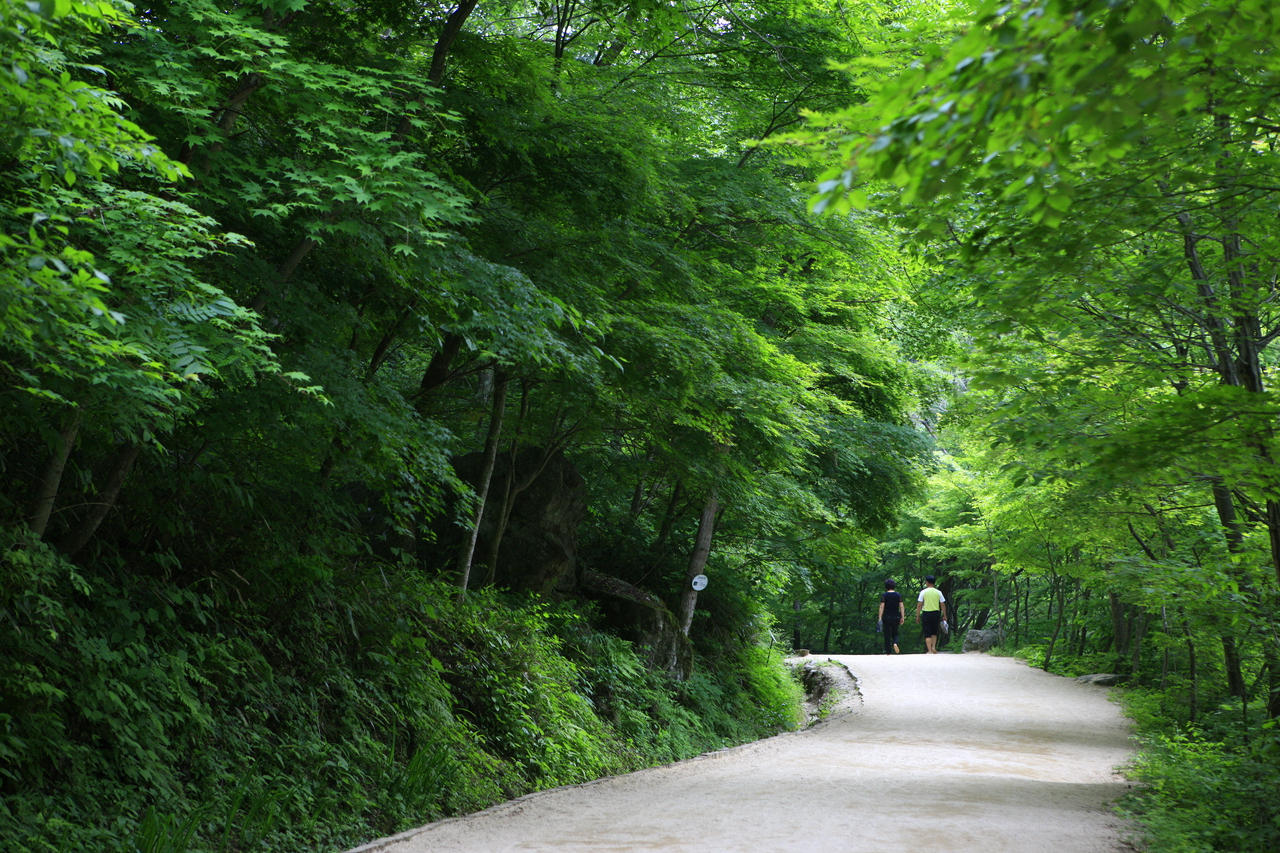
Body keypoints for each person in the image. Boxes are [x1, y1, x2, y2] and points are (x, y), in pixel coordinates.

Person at [915, 575, 947, 654]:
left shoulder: (923, 592)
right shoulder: (938, 592)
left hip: (926, 613)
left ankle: (929, 650)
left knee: (927, 633)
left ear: (927, 582)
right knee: (934, 632)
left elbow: (919, 605)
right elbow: (942, 604)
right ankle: (933, 647)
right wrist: (944, 615)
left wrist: (918, 615)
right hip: (936, 613)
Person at [877, 579, 904, 654]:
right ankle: (895, 643)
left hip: (887, 617)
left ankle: (888, 652)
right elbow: (901, 606)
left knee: (887, 634)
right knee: (895, 633)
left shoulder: (884, 595)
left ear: (886, 586)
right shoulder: (898, 595)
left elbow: (882, 606)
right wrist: (902, 617)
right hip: (896, 616)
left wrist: (880, 617)